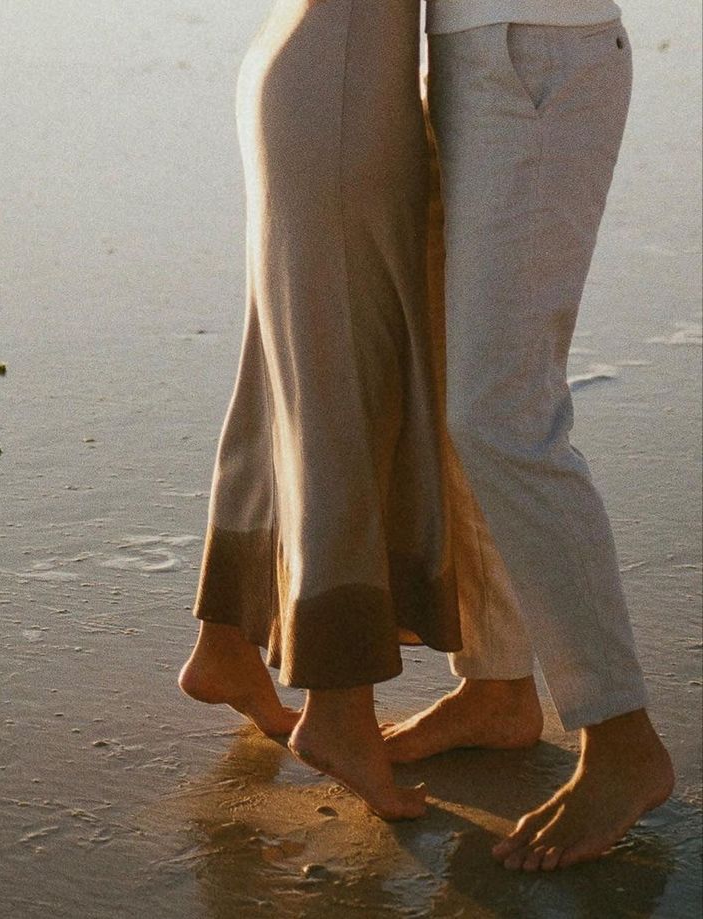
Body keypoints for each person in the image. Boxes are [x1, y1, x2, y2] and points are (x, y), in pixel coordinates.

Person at [381, 0, 675, 870]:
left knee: (502, 412)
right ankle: (498, 682)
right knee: (455, 398)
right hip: (467, 49)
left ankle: (622, 734)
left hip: (541, 51)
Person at [178, 0, 486, 821]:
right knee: (341, 399)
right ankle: (340, 711)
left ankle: (227, 642)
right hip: (342, 91)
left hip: (312, 70)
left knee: (289, 377)